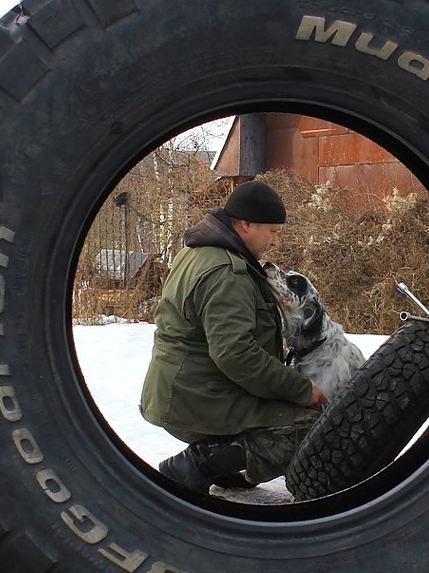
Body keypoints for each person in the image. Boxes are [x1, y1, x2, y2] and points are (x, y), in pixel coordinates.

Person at [140, 179, 328, 493]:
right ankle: (199, 464)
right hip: (196, 399)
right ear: (245, 224)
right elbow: (236, 354)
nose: (274, 241)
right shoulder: (227, 272)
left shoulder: (199, 252)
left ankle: (222, 462)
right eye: (272, 231)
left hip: (182, 392)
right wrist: (300, 390)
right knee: (308, 424)